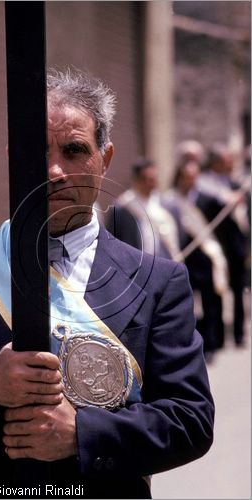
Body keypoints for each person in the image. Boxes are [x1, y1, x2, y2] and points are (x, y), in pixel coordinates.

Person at [0, 68, 214, 499]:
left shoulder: (159, 282)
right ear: (11, 154)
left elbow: (191, 420)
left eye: (74, 150)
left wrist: (82, 434)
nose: (53, 170)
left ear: (105, 159)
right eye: (38, 150)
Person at [163, 160, 228, 360]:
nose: (191, 181)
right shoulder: (171, 200)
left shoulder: (207, 199)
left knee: (211, 301)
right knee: (189, 303)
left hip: (205, 257)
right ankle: (193, 342)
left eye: (194, 176)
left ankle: (213, 342)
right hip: (186, 258)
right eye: (187, 176)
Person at [197, 144, 249, 347]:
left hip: (235, 247)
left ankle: (238, 333)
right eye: (227, 159)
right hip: (215, 245)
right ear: (216, 162)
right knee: (217, 290)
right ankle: (217, 336)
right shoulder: (205, 184)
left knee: (238, 288)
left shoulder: (235, 184)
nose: (230, 163)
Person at [107, 158, 180, 260]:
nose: (150, 183)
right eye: (145, 179)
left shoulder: (168, 206)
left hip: (163, 264)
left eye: (153, 179)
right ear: (136, 180)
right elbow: (113, 241)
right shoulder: (122, 208)